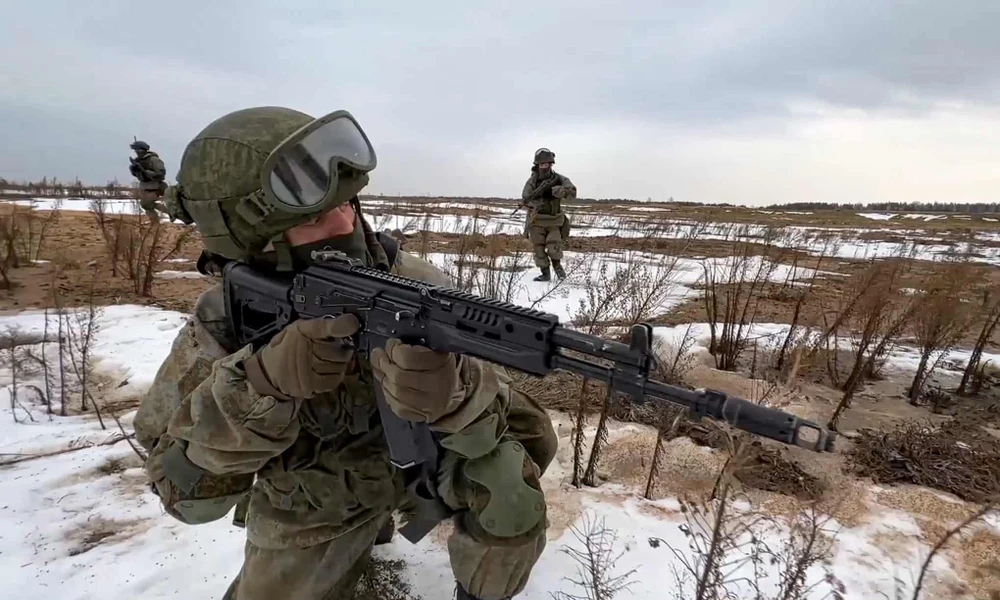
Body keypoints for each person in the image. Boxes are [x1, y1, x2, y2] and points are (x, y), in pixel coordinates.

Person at [132, 107, 558, 600]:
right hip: (312, 498)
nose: (344, 222)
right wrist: (259, 386)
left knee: (508, 485)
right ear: (253, 242)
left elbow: (526, 429)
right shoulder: (224, 319)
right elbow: (185, 495)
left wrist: (456, 394)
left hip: (421, 467)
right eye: (313, 217)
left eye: (348, 204)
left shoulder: (415, 284)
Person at [520, 148, 576, 282]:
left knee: (553, 247)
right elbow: (526, 198)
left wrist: (559, 191)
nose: (544, 167)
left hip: (554, 220)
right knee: (538, 249)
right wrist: (536, 203)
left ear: (551, 164)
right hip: (537, 220)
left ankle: (559, 270)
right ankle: (545, 274)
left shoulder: (560, 179)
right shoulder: (532, 182)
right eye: (541, 164)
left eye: (546, 164)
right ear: (537, 165)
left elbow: (572, 192)